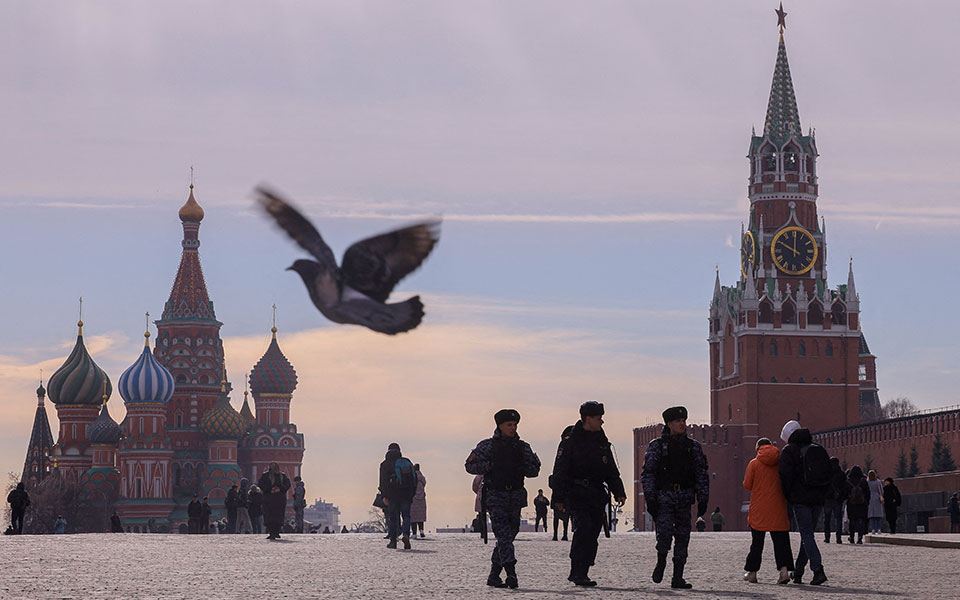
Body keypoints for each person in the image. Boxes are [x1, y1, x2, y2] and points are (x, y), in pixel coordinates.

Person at [551, 401, 626, 587]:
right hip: (576, 493)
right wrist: (558, 498)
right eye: (598, 418)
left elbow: (611, 470)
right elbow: (560, 471)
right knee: (583, 529)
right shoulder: (570, 442)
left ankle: (583, 570)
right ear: (587, 418)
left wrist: (619, 492)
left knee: (592, 533)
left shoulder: (602, 442)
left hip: (596, 494)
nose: (602, 421)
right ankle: (577, 571)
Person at [466, 409, 541, 589]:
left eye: (515, 425)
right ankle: (511, 573)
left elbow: (534, 471)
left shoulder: (522, 447)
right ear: (500, 426)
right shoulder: (488, 446)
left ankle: (494, 575)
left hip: (515, 497)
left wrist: (521, 466)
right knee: (504, 536)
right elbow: (470, 466)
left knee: (509, 535)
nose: (513, 428)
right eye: (509, 425)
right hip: (495, 497)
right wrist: (492, 465)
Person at [640, 405, 709, 590]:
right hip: (664, 497)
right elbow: (648, 474)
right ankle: (661, 561)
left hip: (684, 497)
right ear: (669, 424)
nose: (682, 424)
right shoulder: (657, 446)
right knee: (664, 535)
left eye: (684, 420)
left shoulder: (693, 447)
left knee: (682, 537)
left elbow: (701, 474)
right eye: (678, 421)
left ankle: (678, 576)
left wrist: (703, 499)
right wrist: (650, 498)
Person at [779, 420, 829, 585]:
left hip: (800, 500)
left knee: (807, 535)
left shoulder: (789, 451)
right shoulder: (817, 448)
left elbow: (785, 476)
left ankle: (818, 570)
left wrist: (789, 496)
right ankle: (798, 572)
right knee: (807, 536)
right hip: (817, 499)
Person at [742, 438, 793, 585]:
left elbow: (747, 485)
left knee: (757, 543)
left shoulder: (754, 463)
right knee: (781, 542)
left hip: (759, 509)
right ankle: (784, 572)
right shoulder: (781, 463)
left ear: (758, 448)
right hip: (778, 507)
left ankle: (752, 573)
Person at [380, 442, 419, 550]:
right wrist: (412, 493)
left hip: (392, 495)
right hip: (406, 494)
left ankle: (393, 541)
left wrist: (384, 495)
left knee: (393, 517)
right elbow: (414, 479)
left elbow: (383, 481)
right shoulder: (406, 462)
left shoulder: (385, 464)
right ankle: (406, 535)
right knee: (406, 516)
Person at [258, 462, 291, 540]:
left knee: (269, 516)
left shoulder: (266, 476)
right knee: (277, 516)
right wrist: (279, 489)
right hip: (279, 500)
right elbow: (287, 485)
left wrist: (269, 490)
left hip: (269, 499)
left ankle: (272, 532)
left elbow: (260, 484)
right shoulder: (282, 476)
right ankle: (276, 532)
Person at [822, 457, 847, 543]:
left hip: (828, 499)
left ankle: (827, 537)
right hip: (837, 499)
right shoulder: (841, 474)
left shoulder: (826, 474)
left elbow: (822, 486)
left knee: (827, 519)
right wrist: (842, 497)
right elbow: (845, 487)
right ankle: (838, 538)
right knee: (838, 519)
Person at [846, 466, 870, 544]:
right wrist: (867, 502)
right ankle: (860, 538)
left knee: (852, 521)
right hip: (862, 504)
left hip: (851, 504)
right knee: (861, 521)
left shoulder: (849, 481)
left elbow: (845, 492)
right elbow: (868, 492)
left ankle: (852, 537)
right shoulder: (863, 481)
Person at [410, 464, 427, 538]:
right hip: (422, 499)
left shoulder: (412, 477)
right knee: (420, 517)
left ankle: (414, 533)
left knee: (413, 517)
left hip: (413, 499)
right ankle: (421, 530)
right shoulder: (422, 478)